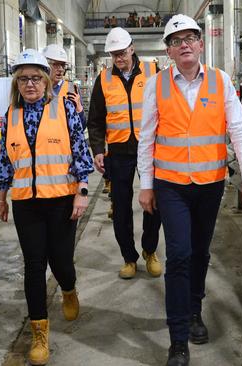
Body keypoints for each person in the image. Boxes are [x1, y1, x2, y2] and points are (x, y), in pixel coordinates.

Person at [138, 14, 242, 366]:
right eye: (177, 40)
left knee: (200, 253)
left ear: (201, 43)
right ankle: (178, 338)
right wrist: (146, 185)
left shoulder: (221, 82)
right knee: (178, 255)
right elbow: (146, 138)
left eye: (191, 37)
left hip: (210, 185)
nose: (185, 44)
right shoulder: (157, 86)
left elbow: (239, 130)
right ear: (169, 51)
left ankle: (194, 311)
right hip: (171, 186)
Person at [0, 49, 93, 366]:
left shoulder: (64, 108)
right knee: (34, 265)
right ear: (16, 83)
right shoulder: (11, 114)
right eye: (23, 79)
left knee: (60, 260)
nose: (30, 84)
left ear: (46, 80)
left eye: (36, 77)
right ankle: (39, 333)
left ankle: (69, 288)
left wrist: (82, 191)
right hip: (26, 204)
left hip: (62, 199)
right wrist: (1, 195)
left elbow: (80, 151)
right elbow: (5, 158)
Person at [87, 27, 162, 280]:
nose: (119, 58)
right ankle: (129, 258)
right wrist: (98, 149)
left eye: (122, 52)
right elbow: (95, 120)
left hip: (149, 147)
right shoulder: (104, 79)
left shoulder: (153, 72)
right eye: (114, 54)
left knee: (153, 202)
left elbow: (167, 109)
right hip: (118, 152)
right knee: (120, 207)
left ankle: (150, 251)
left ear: (132, 48)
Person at [42, 44, 86, 129]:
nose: (61, 69)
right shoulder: (37, 89)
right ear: (45, 66)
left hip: (66, 140)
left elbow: (82, 125)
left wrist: (79, 109)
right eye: (56, 64)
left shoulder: (72, 89)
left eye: (62, 65)